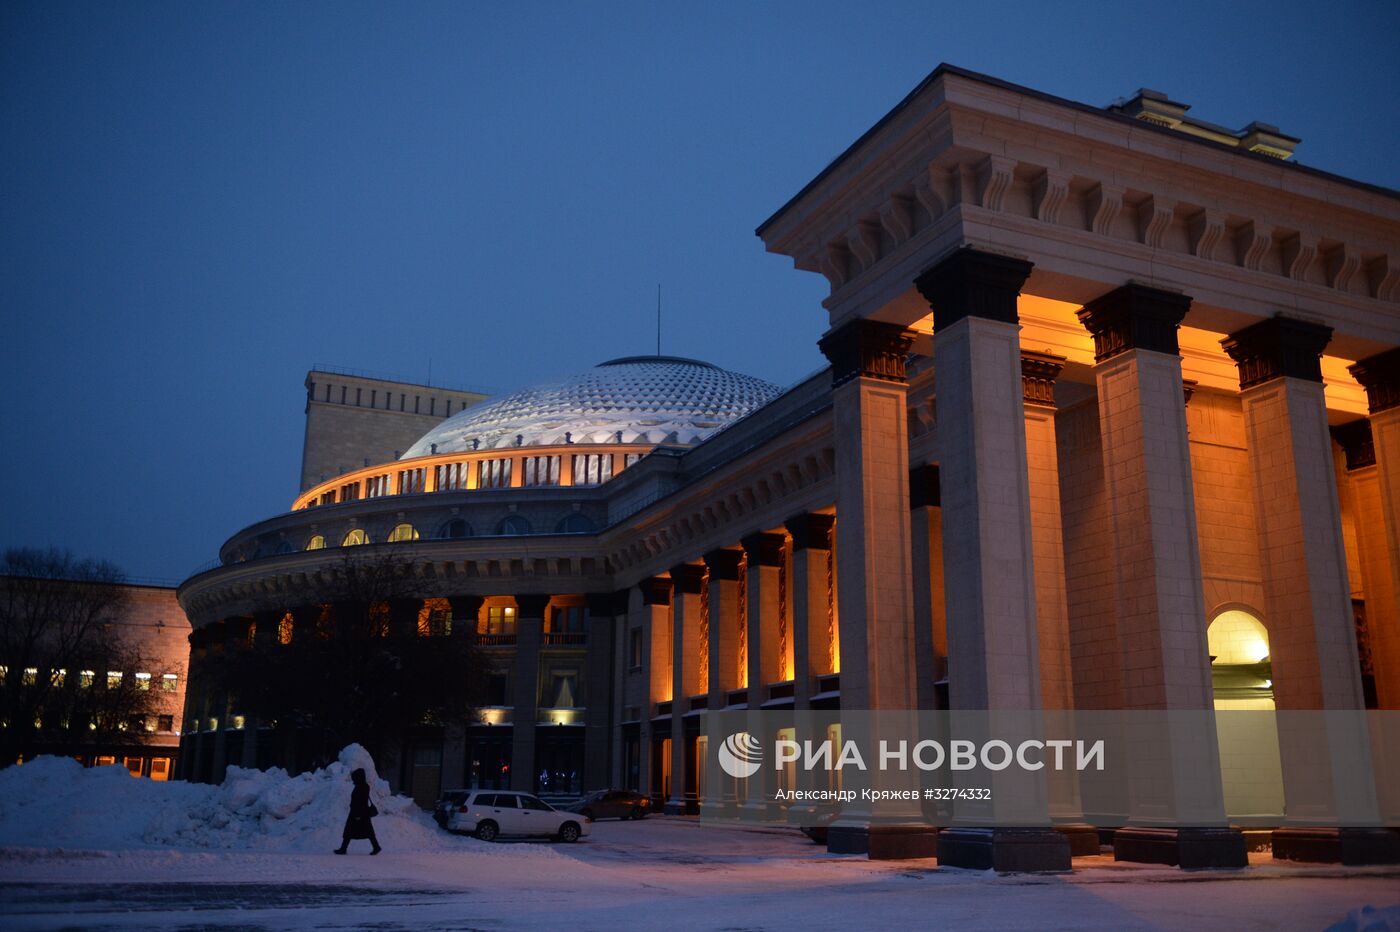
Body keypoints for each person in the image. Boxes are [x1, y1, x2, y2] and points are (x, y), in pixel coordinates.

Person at [334, 767, 382, 855]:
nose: (354, 779)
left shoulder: (363, 787)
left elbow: (361, 801)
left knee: (362, 831)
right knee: (359, 831)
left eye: (355, 777)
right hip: (358, 812)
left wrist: (358, 814)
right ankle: (375, 847)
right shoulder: (360, 786)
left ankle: (376, 847)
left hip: (359, 813)